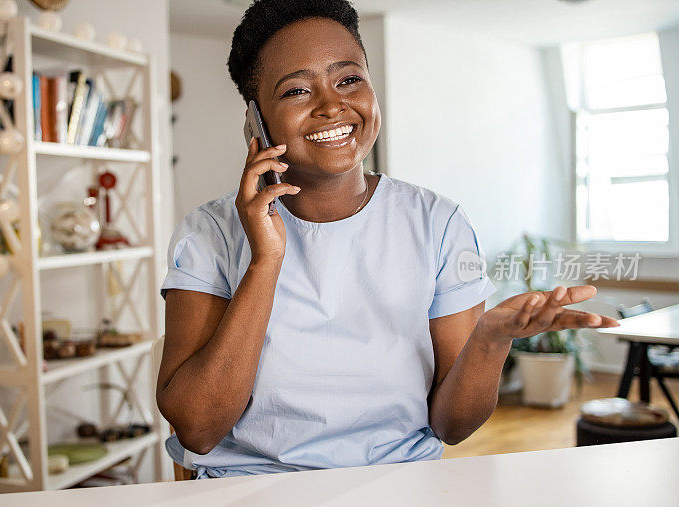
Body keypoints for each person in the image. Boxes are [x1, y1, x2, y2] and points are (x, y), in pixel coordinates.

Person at [156, 0, 619, 479]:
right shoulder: (210, 232)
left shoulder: (437, 222)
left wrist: (489, 339)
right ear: (255, 120)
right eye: (296, 89)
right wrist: (266, 261)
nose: (332, 105)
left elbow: (452, 426)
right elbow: (199, 429)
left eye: (349, 79)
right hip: (250, 494)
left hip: (399, 486)